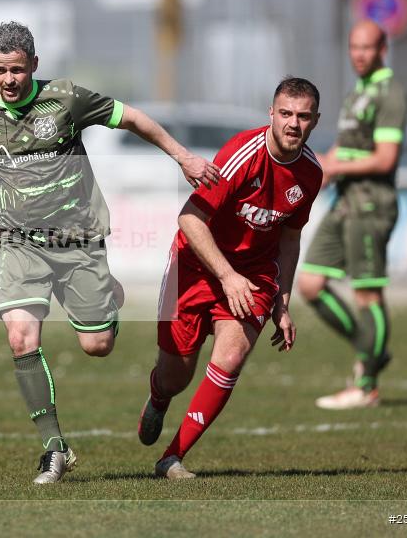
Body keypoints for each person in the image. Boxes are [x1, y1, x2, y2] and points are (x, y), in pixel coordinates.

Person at [0, 21, 219, 484]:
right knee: (20, 337)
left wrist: (182, 156)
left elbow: (132, 118)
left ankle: (106, 294)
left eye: (15, 69)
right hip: (19, 243)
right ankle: (54, 448)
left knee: (97, 346)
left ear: (33, 64)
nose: (8, 79)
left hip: (78, 240)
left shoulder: (67, 99)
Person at [137, 77, 323, 479]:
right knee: (176, 374)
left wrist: (283, 303)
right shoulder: (243, 154)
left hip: (253, 274)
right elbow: (189, 218)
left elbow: (290, 238)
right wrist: (226, 275)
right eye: (286, 114)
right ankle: (158, 396)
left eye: (303, 117)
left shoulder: (310, 174)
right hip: (196, 264)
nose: (294, 124)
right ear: (271, 114)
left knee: (231, 357)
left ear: (315, 121)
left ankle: (172, 458)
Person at [297, 21, 407, 410]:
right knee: (310, 284)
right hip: (344, 201)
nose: (359, 54)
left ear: (383, 48)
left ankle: (367, 383)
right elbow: (342, 151)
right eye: (353, 47)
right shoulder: (357, 93)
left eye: (367, 47)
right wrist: (319, 171)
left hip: (371, 204)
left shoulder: (390, 93)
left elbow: (385, 158)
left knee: (367, 293)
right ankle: (371, 348)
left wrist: (339, 166)